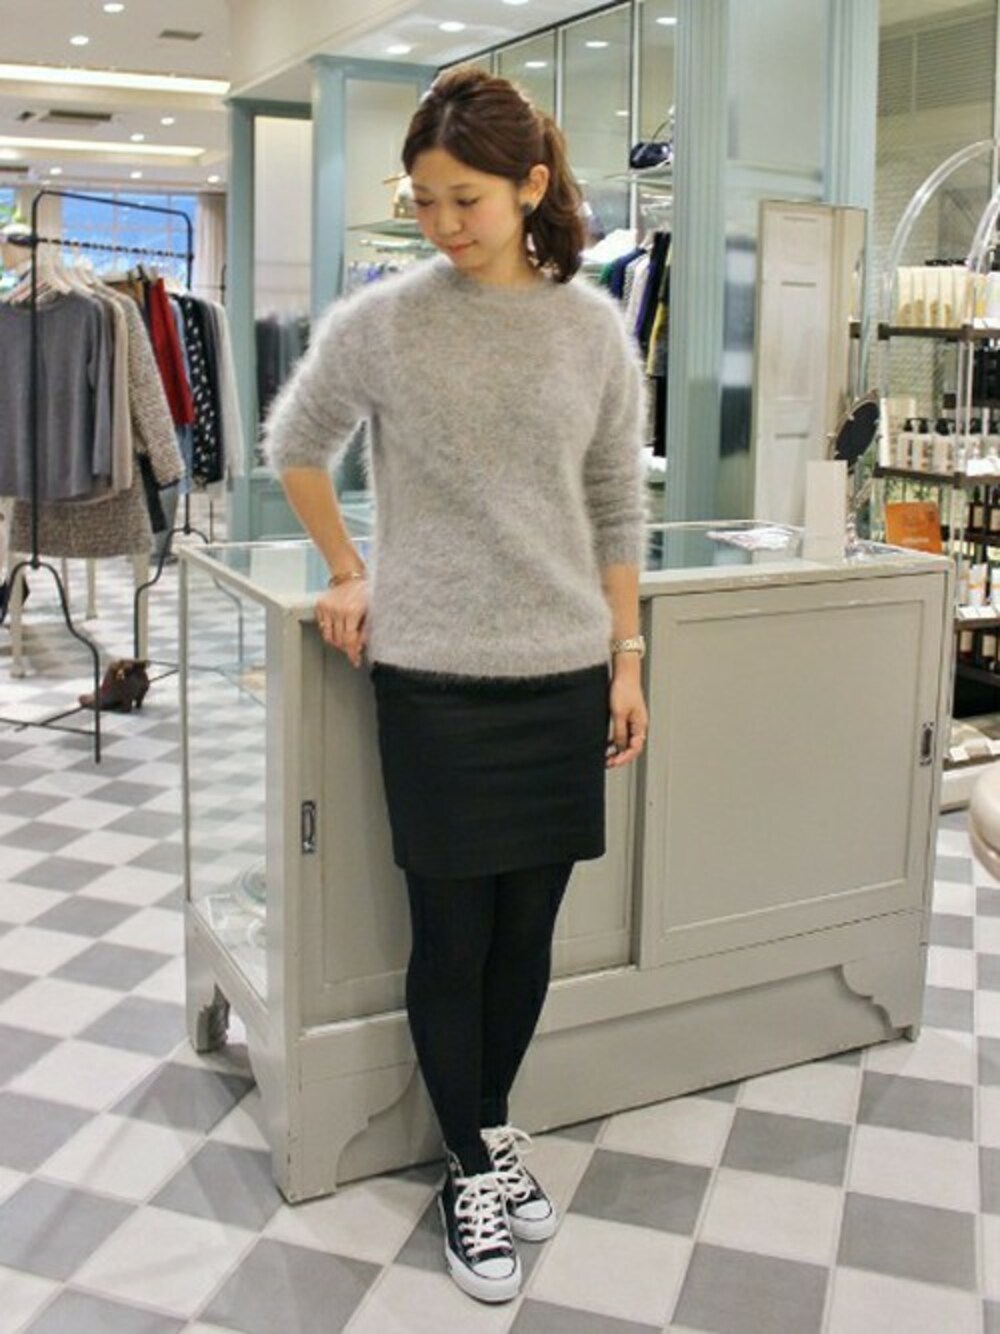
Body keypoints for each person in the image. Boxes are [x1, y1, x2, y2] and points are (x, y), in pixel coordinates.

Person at [264, 65, 648, 1305]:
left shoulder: (588, 327)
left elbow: (614, 502)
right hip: (430, 674)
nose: (440, 224)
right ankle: (473, 1166)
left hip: (562, 668)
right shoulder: (385, 320)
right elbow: (294, 443)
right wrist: (349, 568)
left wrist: (626, 655)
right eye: (422, 199)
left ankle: (482, 1134)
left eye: (463, 199)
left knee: (528, 932)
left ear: (530, 187)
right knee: (452, 934)